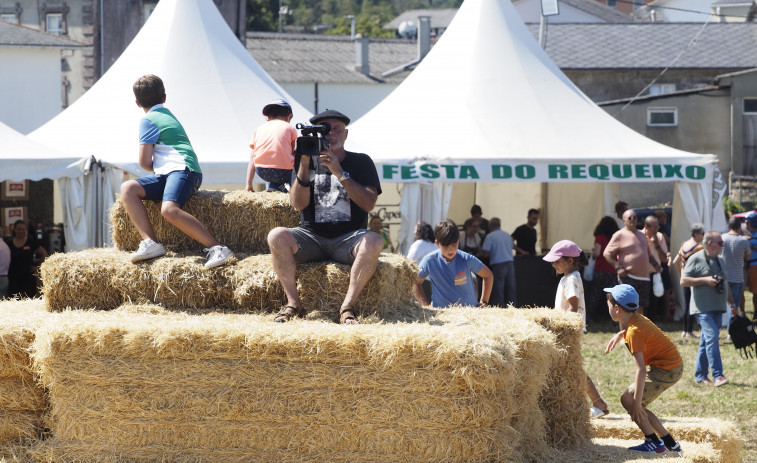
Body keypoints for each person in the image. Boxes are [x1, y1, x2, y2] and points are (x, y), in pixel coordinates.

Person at [267, 109, 383, 324]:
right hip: (311, 237)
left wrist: (340, 172)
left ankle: (347, 307)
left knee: (374, 240)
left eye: (336, 129)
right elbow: (297, 204)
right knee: (276, 235)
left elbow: (369, 204)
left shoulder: (361, 161)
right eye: (324, 130)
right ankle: (293, 303)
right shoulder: (306, 161)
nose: (330, 134)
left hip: (349, 238)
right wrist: (304, 165)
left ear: (346, 134)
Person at [120, 74, 234, 268]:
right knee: (128, 188)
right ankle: (152, 244)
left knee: (169, 209)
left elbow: (144, 161)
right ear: (164, 97)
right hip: (176, 172)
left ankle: (218, 248)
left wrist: (156, 168)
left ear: (137, 103)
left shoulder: (148, 120)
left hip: (183, 170)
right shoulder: (167, 115)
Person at [604, 284, 684, 457]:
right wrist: (620, 334)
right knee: (637, 405)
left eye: (609, 306)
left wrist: (636, 402)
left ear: (616, 309)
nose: (608, 308)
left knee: (628, 400)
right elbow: (637, 331)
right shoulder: (637, 319)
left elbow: (640, 369)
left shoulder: (633, 332)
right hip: (672, 366)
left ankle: (654, 443)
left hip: (667, 369)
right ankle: (671, 444)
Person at [543, 240, 609, 419]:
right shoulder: (568, 277)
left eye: (557, 261)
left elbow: (573, 305)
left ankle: (599, 404)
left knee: (576, 370)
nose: (554, 264)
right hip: (567, 330)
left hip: (568, 331)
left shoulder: (571, 279)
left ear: (570, 260)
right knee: (570, 370)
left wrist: (565, 329)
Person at [680, 231, 735, 387]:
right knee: (712, 339)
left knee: (706, 341)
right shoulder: (696, 258)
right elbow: (683, 280)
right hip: (702, 309)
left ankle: (700, 375)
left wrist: (733, 305)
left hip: (718, 307)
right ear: (710, 243)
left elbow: (726, 284)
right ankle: (718, 376)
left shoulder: (720, 260)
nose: (723, 245)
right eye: (720, 242)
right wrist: (705, 280)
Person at [413, 219, 493, 308]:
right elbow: (415, 282)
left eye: (454, 244)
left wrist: (484, 301)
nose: (451, 249)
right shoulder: (429, 261)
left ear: (458, 240)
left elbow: (488, 275)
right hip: (442, 315)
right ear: (437, 243)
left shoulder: (466, 259)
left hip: (469, 313)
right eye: (446, 246)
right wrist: (425, 306)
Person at [603, 209, 661, 317]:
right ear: (624, 220)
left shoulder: (642, 234)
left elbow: (648, 254)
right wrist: (618, 267)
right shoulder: (619, 235)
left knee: (641, 307)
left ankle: (638, 332)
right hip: (628, 276)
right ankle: (625, 332)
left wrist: (656, 264)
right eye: (630, 218)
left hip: (644, 277)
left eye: (635, 218)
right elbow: (607, 254)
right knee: (625, 307)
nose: (632, 220)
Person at [245, 98, 298, 193]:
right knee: (300, 164)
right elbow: (296, 151)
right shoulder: (290, 127)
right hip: (285, 172)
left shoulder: (258, 129)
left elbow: (252, 158)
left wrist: (248, 185)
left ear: (267, 118)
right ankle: (292, 191)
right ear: (289, 117)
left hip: (261, 171)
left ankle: (274, 187)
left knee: (276, 177)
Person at [672, 223, 705, 338]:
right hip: (694, 278)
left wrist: (682, 274)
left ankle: (685, 330)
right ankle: (689, 331)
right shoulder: (699, 248)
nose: (704, 236)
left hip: (685, 278)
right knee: (693, 304)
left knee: (687, 303)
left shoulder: (684, 244)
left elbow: (675, 262)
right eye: (703, 233)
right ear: (696, 234)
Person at [586, 216, 620, 321]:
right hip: (613, 270)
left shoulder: (600, 237)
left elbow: (597, 253)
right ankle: (615, 319)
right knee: (612, 297)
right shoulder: (615, 237)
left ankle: (589, 317)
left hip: (600, 269)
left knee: (595, 295)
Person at [3, 220, 48, 298]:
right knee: (13, 300)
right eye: (19, 229)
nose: (21, 231)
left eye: (23, 229)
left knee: (30, 299)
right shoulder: (9, 242)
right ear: (14, 230)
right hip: (13, 277)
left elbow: (44, 254)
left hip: (28, 276)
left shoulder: (31, 241)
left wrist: (37, 267)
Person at [480, 217, 516, 307]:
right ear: (499, 225)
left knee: (498, 289)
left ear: (490, 226)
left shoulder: (490, 236)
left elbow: (486, 253)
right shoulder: (507, 235)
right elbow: (513, 246)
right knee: (511, 288)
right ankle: (513, 307)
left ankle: (499, 307)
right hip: (510, 263)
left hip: (498, 264)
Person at [722, 216, 751, 326]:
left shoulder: (722, 238)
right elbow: (748, 256)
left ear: (728, 226)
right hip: (737, 276)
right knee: (734, 305)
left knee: (721, 304)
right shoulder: (743, 240)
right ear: (740, 227)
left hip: (724, 276)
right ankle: (732, 328)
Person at [643, 215, 670, 322]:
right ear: (646, 226)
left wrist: (657, 245)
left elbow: (664, 259)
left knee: (654, 303)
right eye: (654, 227)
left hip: (655, 274)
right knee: (642, 303)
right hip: (642, 274)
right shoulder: (639, 236)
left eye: (658, 227)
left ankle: (652, 324)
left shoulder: (659, 237)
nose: (657, 230)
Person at [407, 221, 436, 302]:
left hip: (423, 282)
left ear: (419, 231)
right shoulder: (433, 244)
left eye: (415, 230)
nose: (414, 232)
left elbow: (409, 261)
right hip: (435, 282)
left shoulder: (419, 244)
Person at [746, 213, 757, 317]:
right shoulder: (751, 235)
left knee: (756, 292)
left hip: (754, 266)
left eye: (747, 222)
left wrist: (750, 245)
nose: (745, 225)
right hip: (752, 266)